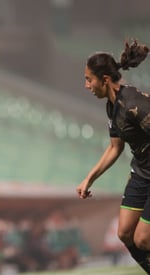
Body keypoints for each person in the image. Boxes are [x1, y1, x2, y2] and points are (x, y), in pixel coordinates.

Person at [76, 39, 150, 273]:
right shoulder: (112, 105)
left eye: (89, 79)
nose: (86, 85)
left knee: (143, 239)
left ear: (104, 80)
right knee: (125, 233)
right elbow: (115, 147)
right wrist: (90, 178)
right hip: (142, 172)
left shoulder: (134, 104)